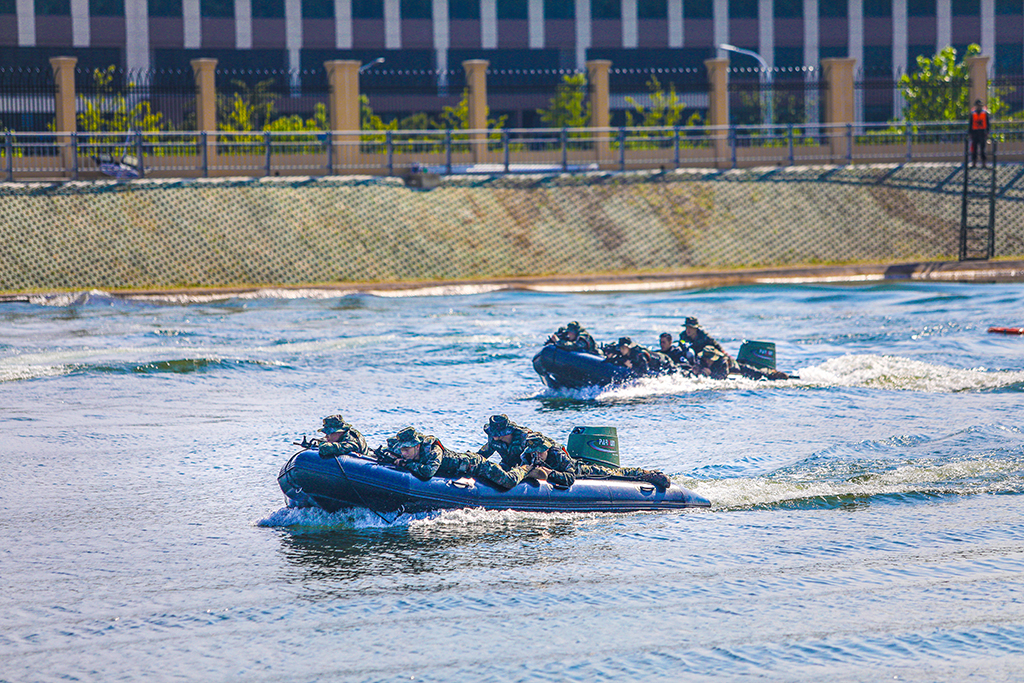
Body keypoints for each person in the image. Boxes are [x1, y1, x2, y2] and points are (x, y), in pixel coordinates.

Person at [477, 414, 672, 490]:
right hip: (519, 468)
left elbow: (569, 477)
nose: (494, 438)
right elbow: (483, 454)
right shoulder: (497, 440)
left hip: (570, 467)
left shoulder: (540, 445)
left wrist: (549, 474)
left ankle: (648, 474)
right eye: (493, 435)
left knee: (609, 473)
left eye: (498, 435)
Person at [383, 426, 516, 488]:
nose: (403, 453)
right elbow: (388, 448)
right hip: (460, 467)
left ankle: (526, 469)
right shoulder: (408, 451)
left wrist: (406, 464)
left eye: (406, 449)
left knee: (509, 481)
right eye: (402, 450)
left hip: (476, 465)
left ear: (417, 446)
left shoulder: (433, 450)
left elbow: (428, 472)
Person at [967, 99, 990, 169]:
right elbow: (970, 124)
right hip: (975, 133)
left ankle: (984, 164)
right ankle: (974, 163)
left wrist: (987, 132)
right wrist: (970, 133)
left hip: (982, 133)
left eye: (980, 105)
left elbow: (988, 124)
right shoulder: (973, 114)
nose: (979, 107)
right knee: (974, 149)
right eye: (978, 105)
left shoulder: (985, 113)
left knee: (983, 149)